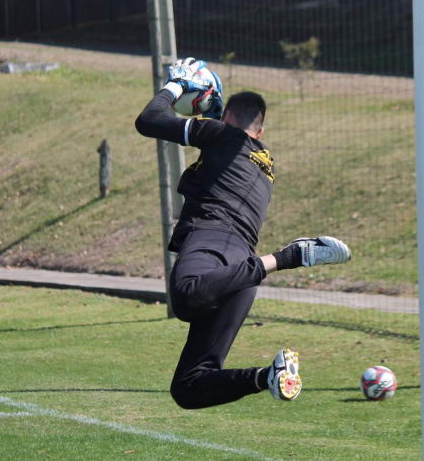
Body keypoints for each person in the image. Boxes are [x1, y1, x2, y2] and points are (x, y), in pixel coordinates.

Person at [135, 58, 351, 409]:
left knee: (185, 299)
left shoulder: (223, 135)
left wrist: (175, 85)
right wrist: (215, 111)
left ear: (229, 120)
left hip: (213, 245)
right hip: (240, 273)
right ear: (260, 132)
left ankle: (291, 256)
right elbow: (227, 148)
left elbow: (148, 121)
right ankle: (269, 376)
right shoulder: (265, 163)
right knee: (189, 387)